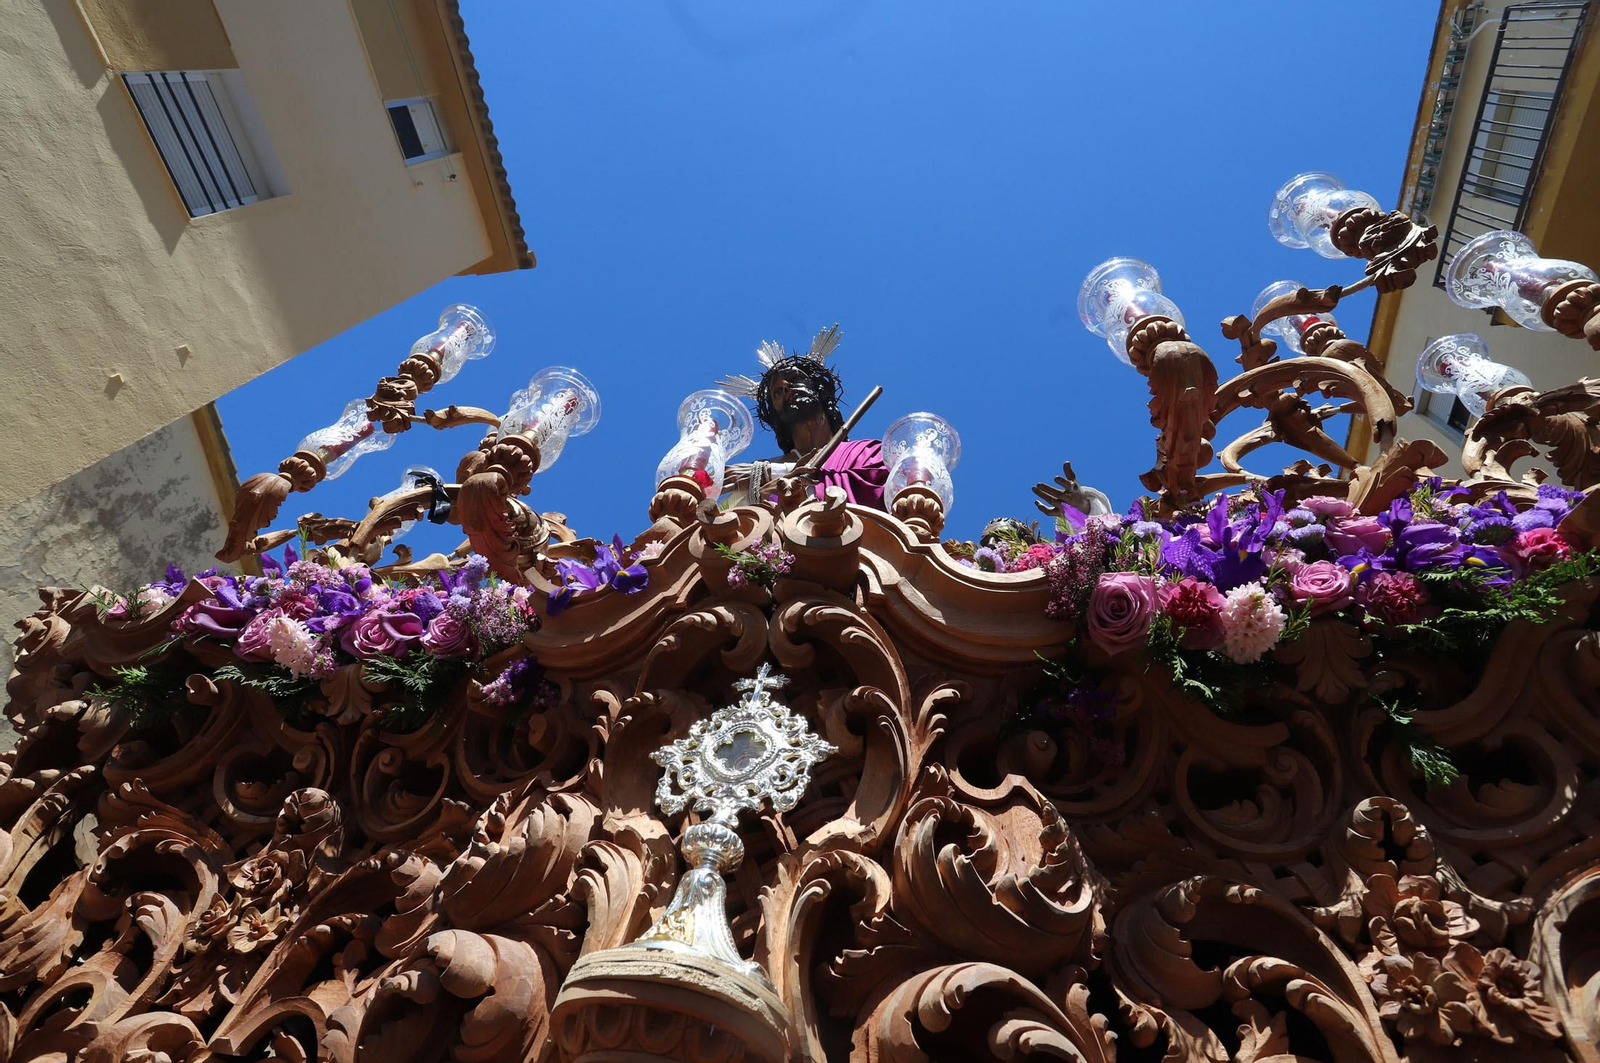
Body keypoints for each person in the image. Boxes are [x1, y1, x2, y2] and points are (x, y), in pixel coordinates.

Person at [718, 325, 888, 510]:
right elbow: (731, 517)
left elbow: (886, 482)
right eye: (776, 392)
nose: (784, 386)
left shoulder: (867, 451)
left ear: (820, 390)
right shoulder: (751, 474)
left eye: (795, 379)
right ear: (776, 416)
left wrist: (773, 473)